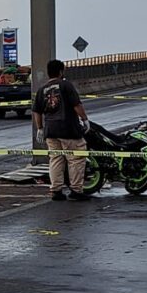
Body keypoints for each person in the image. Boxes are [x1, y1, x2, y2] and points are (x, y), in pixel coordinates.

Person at [33, 59, 91, 201]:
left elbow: (36, 111)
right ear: (61, 71)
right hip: (68, 129)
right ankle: (76, 190)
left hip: (50, 131)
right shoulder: (66, 85)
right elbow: (76, 105)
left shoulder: (42, 90)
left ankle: (56, 191)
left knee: (56, 159)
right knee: (76, 158)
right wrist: (84, 119)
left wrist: (40, 128)